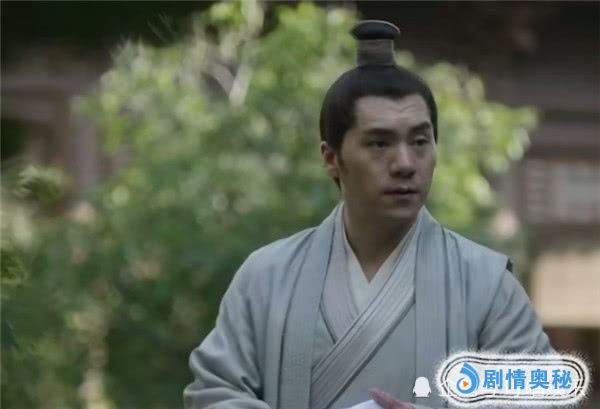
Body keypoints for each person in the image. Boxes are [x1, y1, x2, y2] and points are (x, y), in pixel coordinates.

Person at [183, 20, 553, 409]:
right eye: (379, 143)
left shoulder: (485, 285)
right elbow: (214, 393)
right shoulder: (267, 277)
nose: (405, 163)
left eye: (420, 141)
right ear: (331, 158)